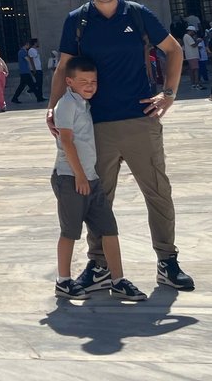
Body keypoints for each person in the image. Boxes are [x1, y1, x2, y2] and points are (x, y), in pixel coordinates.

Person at [52, 0, 194, 293]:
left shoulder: (138, 14)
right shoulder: (78, 21)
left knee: (158, 192)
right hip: (94, 125)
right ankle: (99, 264)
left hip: (139, 119)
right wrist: (53, 108)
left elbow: (173, 51)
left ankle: (167, 261)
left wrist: (169, 94)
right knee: (97, 199)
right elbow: (63, 68)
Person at [49, 57, 147, 302]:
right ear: (69, 82)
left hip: (90, 178)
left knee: (109, 229)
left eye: (93, 81)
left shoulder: (84, 104)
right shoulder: (67, 104)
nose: (90, 85)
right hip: (70, 177)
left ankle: (118, 280)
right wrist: (80, 175)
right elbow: (67, 142)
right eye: (83, 81)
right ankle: (63, 281)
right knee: (70, 231)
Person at [12, 38, 44, 104]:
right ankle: (39, 98)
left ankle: (14, 98)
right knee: (32, 85)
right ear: (26, 45)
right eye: (28, 45)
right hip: (25, 72)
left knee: (22, 86)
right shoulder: (22, 52)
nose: (28, 46)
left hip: (24, 71)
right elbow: (28, 60)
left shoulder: (23, 52)